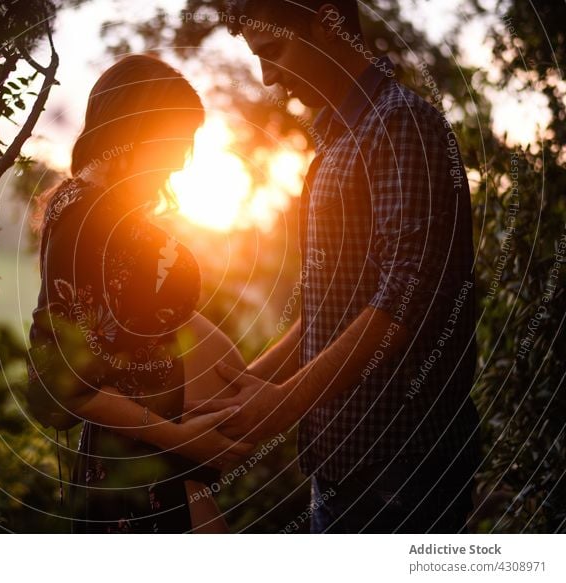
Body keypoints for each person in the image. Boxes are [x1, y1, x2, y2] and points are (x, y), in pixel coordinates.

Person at [190, 0, 482, 533]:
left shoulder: (402, 125)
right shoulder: (340, 136)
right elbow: (335, 308)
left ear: (326, 23)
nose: (268, 78)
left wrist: (283, 405)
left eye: (273, 52)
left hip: (400, 472)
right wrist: (247, 389)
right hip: (344, 468)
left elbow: (404, 298)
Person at [26, 54, 251, 533]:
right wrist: (186, 441)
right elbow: (61, 378)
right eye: (173, 139)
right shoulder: (84, 214)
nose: (179, 159)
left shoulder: (114, 215)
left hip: (169, 465)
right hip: (144, 470)